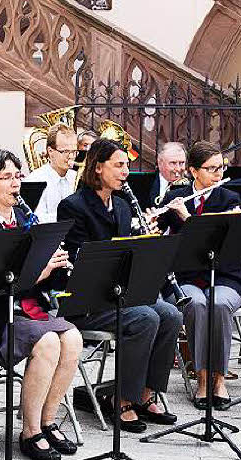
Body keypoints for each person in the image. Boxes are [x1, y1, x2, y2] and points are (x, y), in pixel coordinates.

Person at [0, 148, 82, 460]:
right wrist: (35, 273)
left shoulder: (27, 219)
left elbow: (44, 284)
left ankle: (47, 420)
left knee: (73, 338)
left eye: (18, 176)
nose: (15, 184)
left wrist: (56, 269)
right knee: (49, 340)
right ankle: (29, 432)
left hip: (28, 309)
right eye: (6, 178)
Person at [57, 137, 182, 432]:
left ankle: (145, 394)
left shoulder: (124, 206)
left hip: (120, 294)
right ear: (98, 168)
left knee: (171, 314)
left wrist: (146, 245)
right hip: (88, 300)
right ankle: (122, 399)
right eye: (119, 165)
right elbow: (79, 260)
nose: (126, 171)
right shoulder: (73, 206)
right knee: (146, 317)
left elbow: (130, 256)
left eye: (127, 165)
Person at [157, 141, 241, 408]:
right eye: (211, 169)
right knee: (195, 304)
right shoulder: (176, 196)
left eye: (221, 168)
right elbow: (156, 234)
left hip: (225, 275)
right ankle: (202, 378)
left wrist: (188, 219)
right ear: (194, 172)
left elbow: (219, 239)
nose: (218, 174)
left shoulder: (230, 199)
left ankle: (219, 378)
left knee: (218, 304)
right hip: (186, 277)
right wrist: (152, 219)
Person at [22, 123, 78, 223]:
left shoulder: (77, 178)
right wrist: (72, 216)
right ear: (50, 151)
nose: (71, 157)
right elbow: (36, 219)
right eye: (65, 151)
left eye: (74, 151)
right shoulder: (35, 180)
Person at [149, 142, 187, 206]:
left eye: (181, 163)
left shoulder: (192, 184)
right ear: (160, 163)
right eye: (173, 163)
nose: (178, 168)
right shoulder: (145, 182)